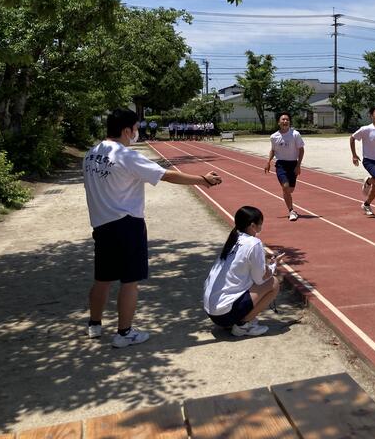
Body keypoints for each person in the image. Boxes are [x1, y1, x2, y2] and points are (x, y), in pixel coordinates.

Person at [83, 108, 223, 348]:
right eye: (136, 128)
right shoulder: (126, 155)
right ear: (127, 130)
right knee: (130, 281)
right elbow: (165, 175)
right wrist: (203, 180)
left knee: (102, 279)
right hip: (127, 224)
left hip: (101, 225)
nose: (136, 132)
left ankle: (94, 325)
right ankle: (124, 333)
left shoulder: (91, 154)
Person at [203, 206, 282, 337]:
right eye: (260, 224)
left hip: (212, 312)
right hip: (224, 315)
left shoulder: (234, 238)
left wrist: (263, 258)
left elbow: (242, 259)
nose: (261, 227)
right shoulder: (254, 243)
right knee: (273, 283)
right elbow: (260, 279)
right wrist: (273, 266)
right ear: (253, 226)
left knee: (249, 279)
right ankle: (243, 325)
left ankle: (236, 319)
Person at [265, 113, 305, 221]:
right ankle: (291, 211)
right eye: (283, 120)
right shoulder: (274, 136)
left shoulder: (295, 134)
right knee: (286, 187)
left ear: (289, 122)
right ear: (279, 122)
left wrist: (298, 165)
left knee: (290, 190)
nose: (285, 121)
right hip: (281, 164)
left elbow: (301, 150)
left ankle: (288, 199)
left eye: (287, 119)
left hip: (293, 164)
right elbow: (273, 150)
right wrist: (268, 161)